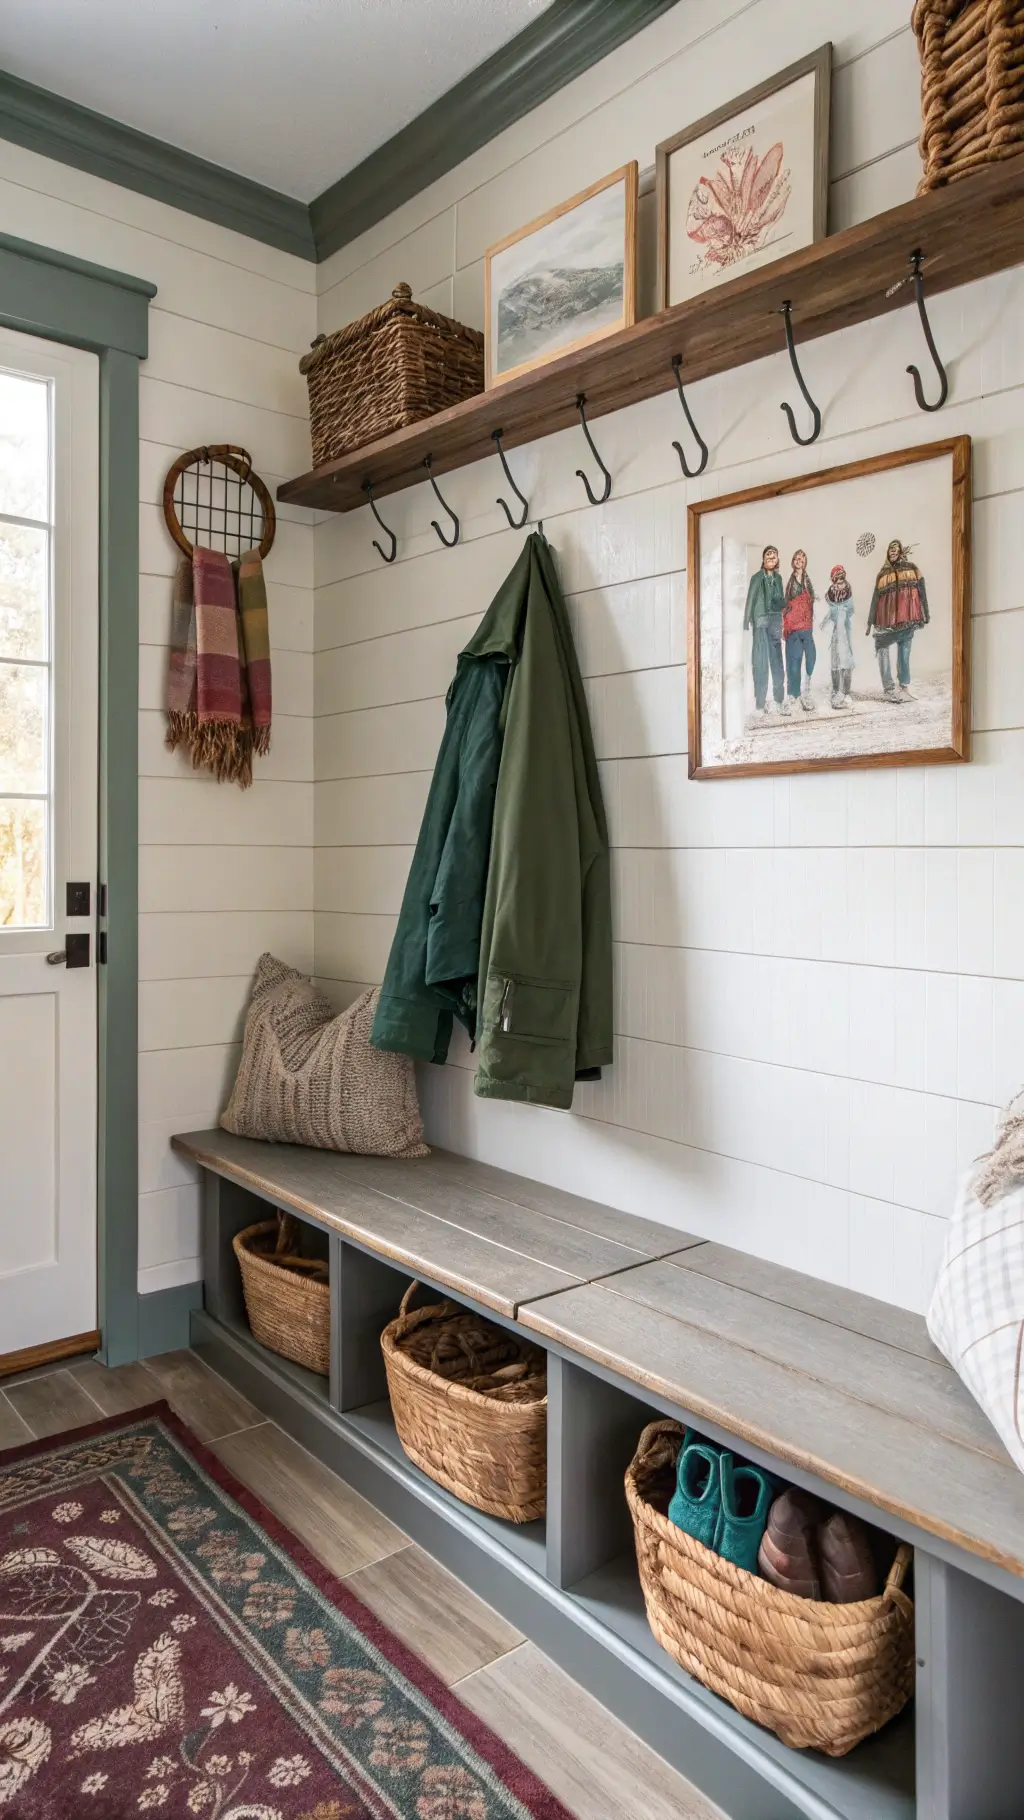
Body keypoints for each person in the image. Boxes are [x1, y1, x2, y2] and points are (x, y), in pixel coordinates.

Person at [867, 539, 929, 702]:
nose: (893, 552)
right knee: (882, 648)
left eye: (895, 550)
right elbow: (875, 598)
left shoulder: (912, 569)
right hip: (884, 620)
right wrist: (869, 622)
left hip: (907, 619)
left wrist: (925, 613)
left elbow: (921, 590)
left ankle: (904, 686)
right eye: (890, 550)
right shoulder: (882, 574)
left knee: (905, 651)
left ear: (901, 551)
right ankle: (888, 687)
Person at [743, 545, 787, 719]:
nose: (771, 557)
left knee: (777, 661)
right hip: (760, 621)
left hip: (775, 621)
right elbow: (751, 597)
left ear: (777, 560)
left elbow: (780, 600)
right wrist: (746, 620)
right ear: (763, 559)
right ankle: (760, 704)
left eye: (774, 555)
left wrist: (781, 603)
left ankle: (778, 700)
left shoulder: (778, 578)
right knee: (760, 662)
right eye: (768, 554)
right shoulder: (756, 578)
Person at [783, 549, 817, 712]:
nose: (798, 561)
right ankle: (793, 694)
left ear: (805, 562)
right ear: (792, 561)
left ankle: (806, 692)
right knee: (793, 661)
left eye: (801, 559)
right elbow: (787, 603)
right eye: (796, 558)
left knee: (810, 658)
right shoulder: (790, 582)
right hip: (793, 628)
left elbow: (811, 599)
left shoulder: (807, 580)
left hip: (806, 627)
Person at [820, 564, 855, 709]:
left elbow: (851, 609)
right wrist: (825, 620)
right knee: (835, 660)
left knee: (846, 659)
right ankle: (835, 690)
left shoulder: (848, 592)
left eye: (841, 578)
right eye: (837, 579)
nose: (839, 581)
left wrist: (842, 614)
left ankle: (846, 691)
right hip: (836, 631)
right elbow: (831, 610)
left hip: (845, 631)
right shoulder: (831, 593)